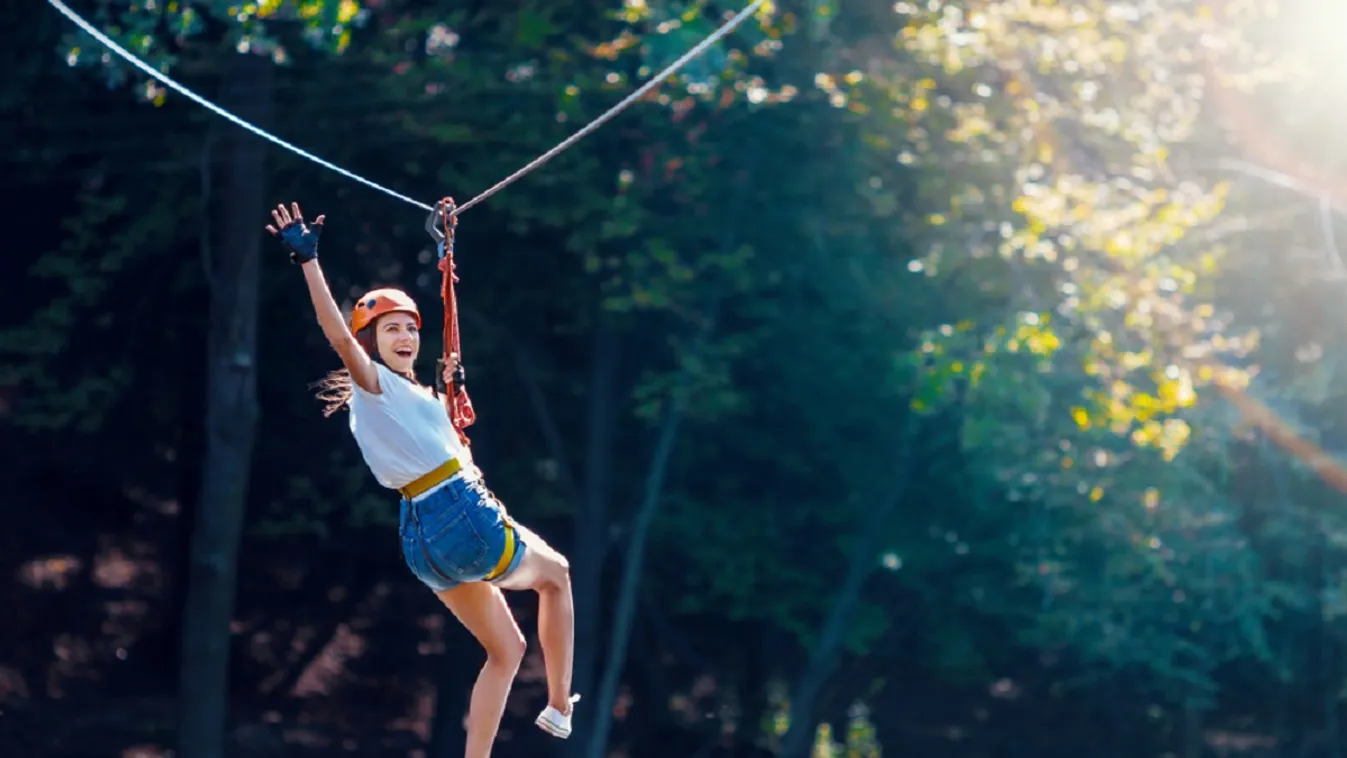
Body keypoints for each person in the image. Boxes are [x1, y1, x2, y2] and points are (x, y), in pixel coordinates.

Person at [265, 201, 578, 756]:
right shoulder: (374, 385)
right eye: (391, 329)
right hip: (456, 516)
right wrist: (309, 262)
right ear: (371, 341)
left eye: (411, 327)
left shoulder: (414, 396)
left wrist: (448, 392)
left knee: (505, 648)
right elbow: (338, 337)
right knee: (556, 574)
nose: (406, 336)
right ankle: (558, 708)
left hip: (420, 540)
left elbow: (439, 436)